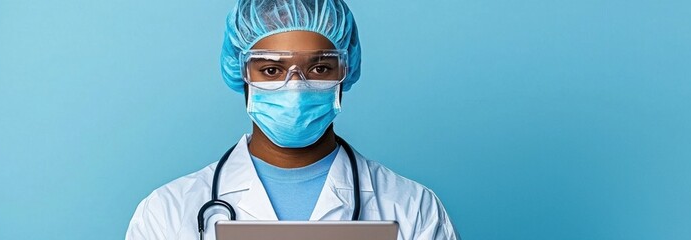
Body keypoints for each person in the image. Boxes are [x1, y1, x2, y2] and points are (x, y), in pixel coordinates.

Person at [126, 0, 459, 239]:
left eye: (319, 68)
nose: (296, 86)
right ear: (243, 75)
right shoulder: (166, 213)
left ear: (344, 73)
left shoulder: (412, 208)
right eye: (272, 70)